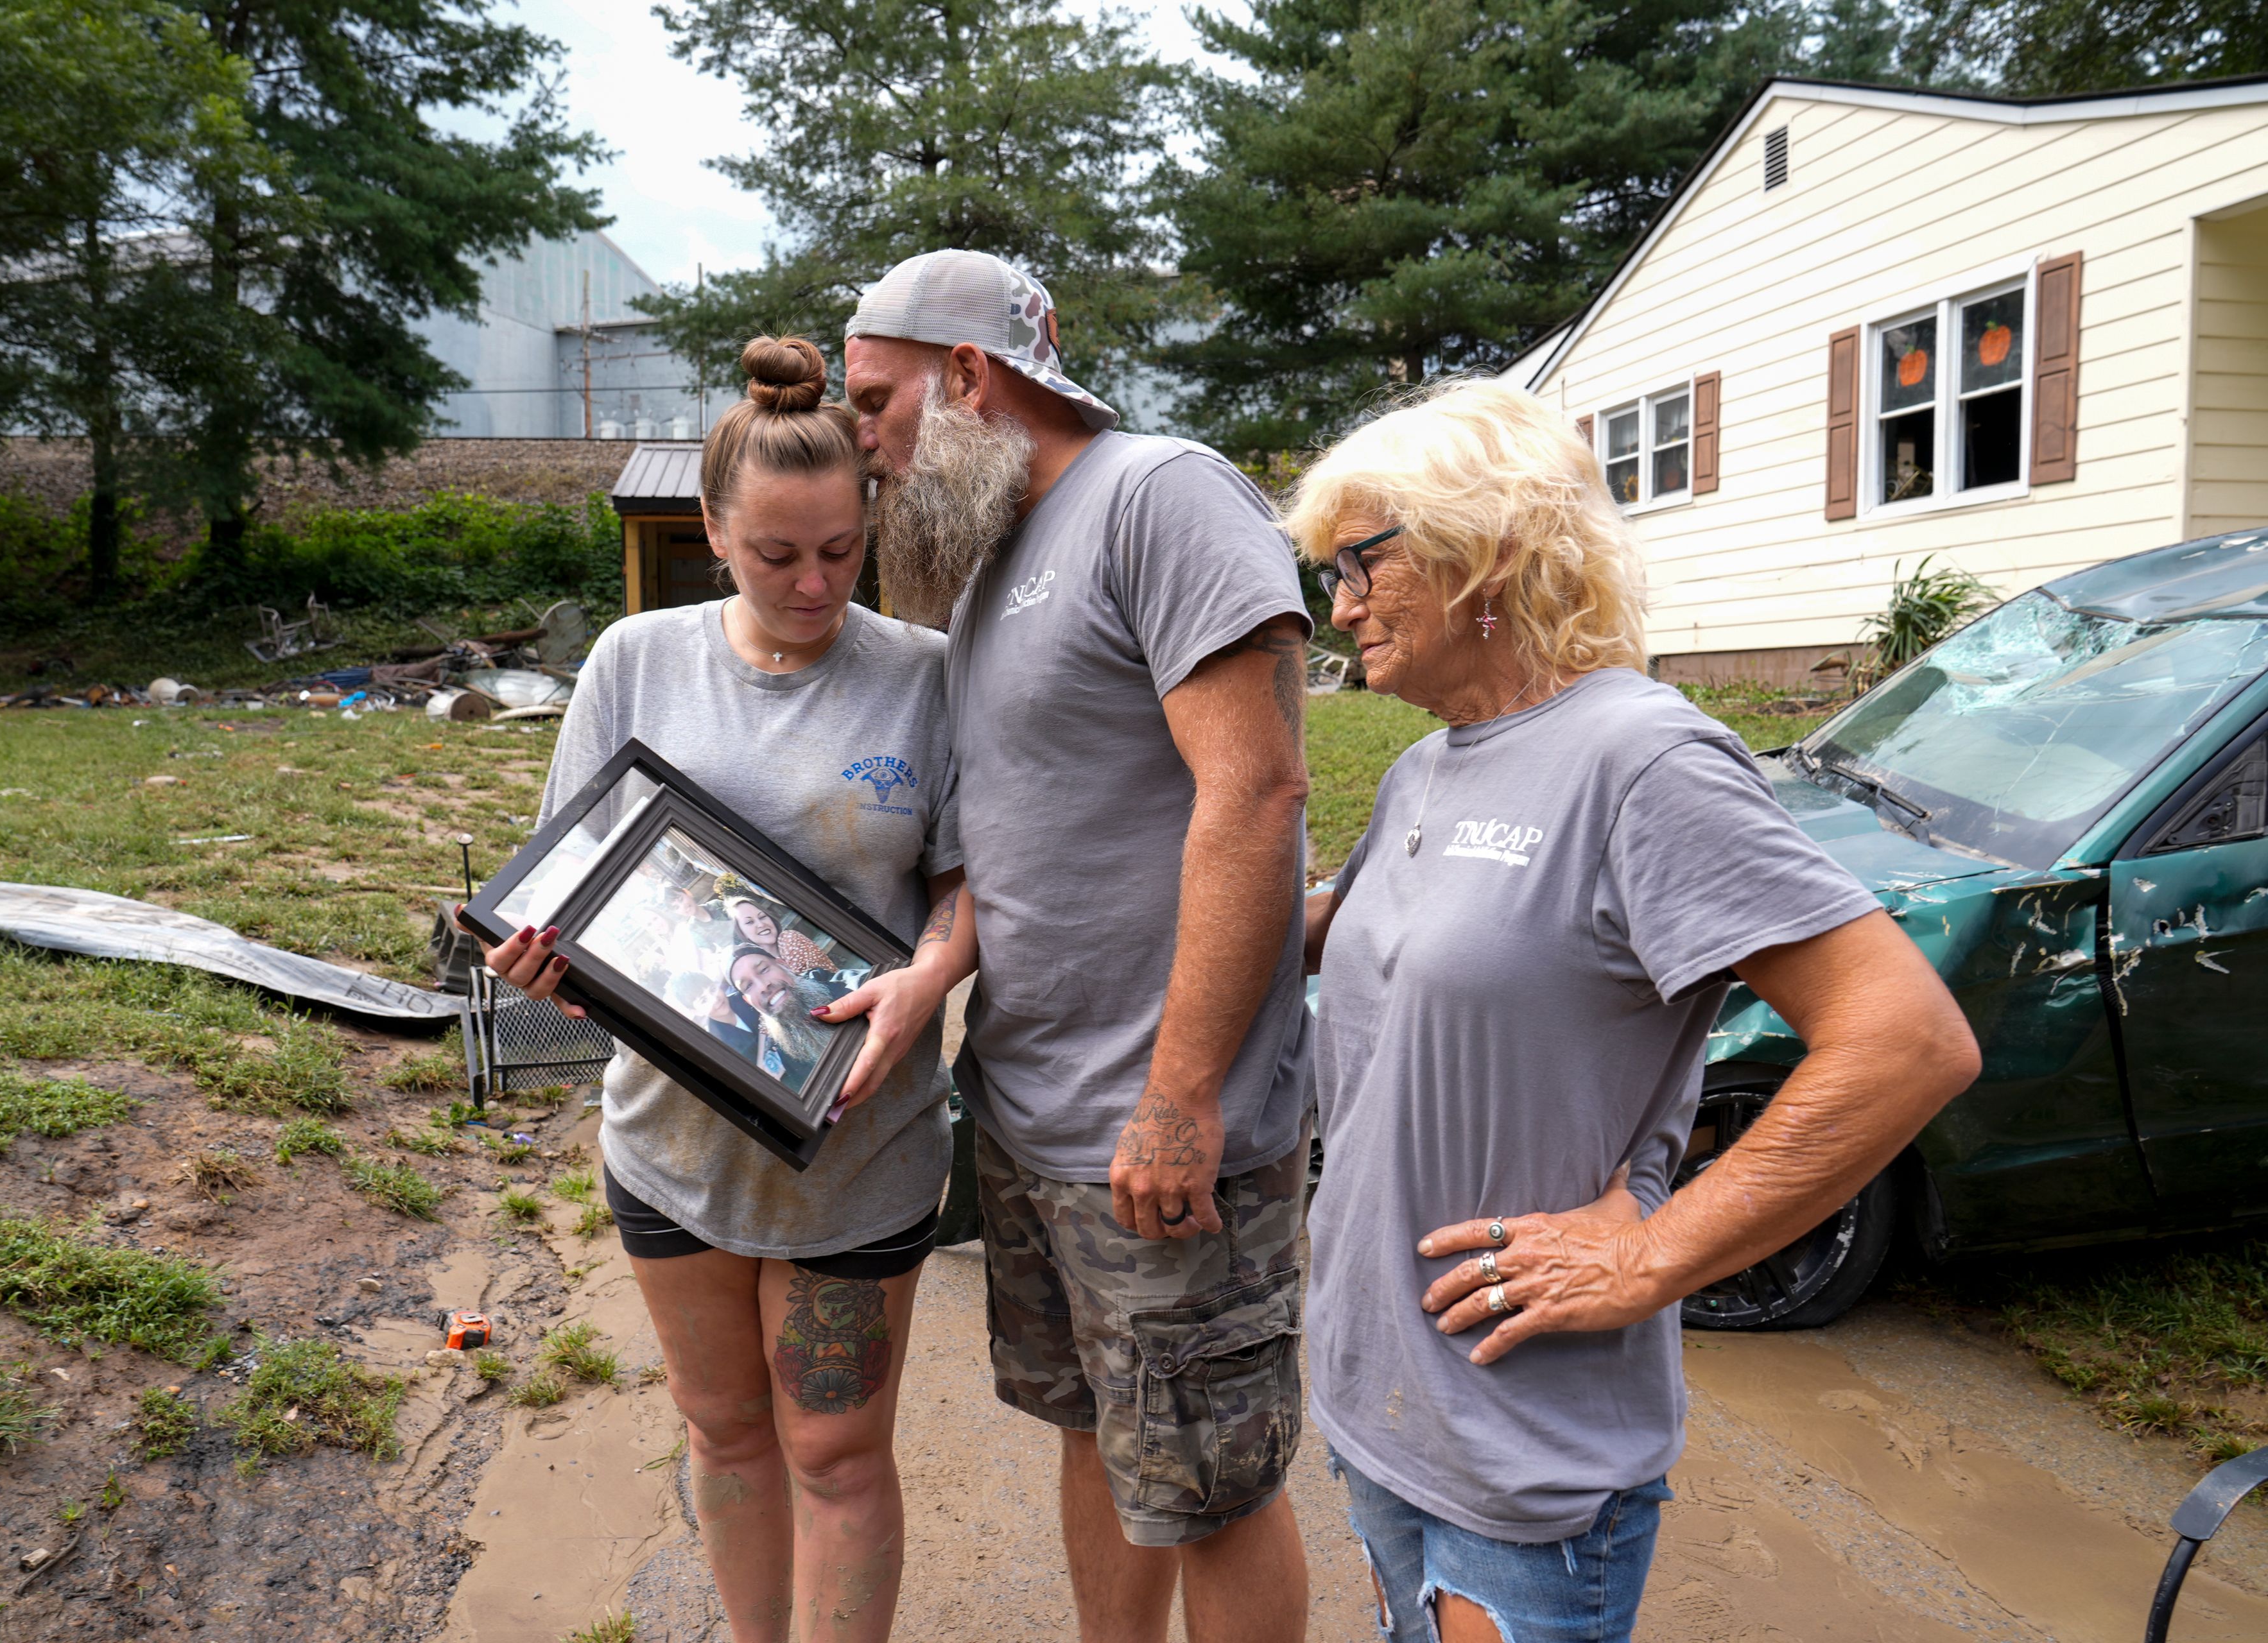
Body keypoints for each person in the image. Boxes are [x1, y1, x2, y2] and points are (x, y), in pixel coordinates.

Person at [1289, 379, 1982, 1642]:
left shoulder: (1642, 758)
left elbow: (1905, 1038)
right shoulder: (1419, 770)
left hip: (1524, 1445)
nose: (1336, 606)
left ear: (1480, 545)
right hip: (1378, 1395)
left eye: (1360, 564)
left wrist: (1653, 1253)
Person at [478, 336, 981, 1643]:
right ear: (710, 529)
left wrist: (925, 982)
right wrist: (547, 962)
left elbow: (969, 883)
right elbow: (570, 886)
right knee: (725, 1431)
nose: (813, 582)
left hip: (859, 1139)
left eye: (838, 550)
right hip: (671, 1145)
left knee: (836, 1450)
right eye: (775, 554)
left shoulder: (924, 676)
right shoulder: (633, 661)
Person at [845, 249, 1316, 1643]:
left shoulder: (1159, 496)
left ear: (972, 376)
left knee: (1213, 1482)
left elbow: (1260, 788)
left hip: (1160, 1133)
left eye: (878, 401)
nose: (864, 439)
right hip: (1034, 1120)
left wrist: (1180, 1098)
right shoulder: (992, 553)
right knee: (1097, 1437)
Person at [726, 943, 852, 1088]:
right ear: (748, 1001)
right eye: (748, 986)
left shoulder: (845, 986)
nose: (762, 986)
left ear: (783, 965)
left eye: (764, 969)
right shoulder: (786, 1051)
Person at [730, 894, 835, 977]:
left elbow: (821, 980)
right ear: (743, 933)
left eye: (762, 917)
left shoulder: (789, 939)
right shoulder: (759, 965)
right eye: (750, 922)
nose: (761, 924)